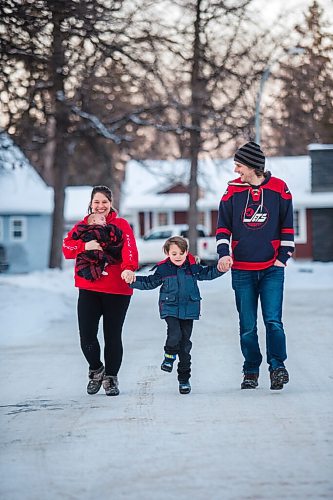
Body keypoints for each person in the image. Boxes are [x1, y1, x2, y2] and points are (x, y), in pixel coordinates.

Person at [216, 141, 294, 391]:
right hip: (242, 271)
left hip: (272, 268)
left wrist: (283, 257)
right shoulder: (231, 193)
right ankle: (250, 370)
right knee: (247, 324)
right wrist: (223, 253)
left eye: (239, 165)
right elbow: (222, 228)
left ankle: (277, 367)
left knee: (273, 321)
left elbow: (288, 226)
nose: (236, 170)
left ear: (252, 166)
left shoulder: (280, 189)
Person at [124, 236, 226, 395]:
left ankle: (184, 379)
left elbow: (208, 273)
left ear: (186, 252)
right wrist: (132, 280)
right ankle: (169, 356)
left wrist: (221, 269)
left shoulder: (193, 267)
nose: (177, 256)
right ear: (167, 253)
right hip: (170, 308)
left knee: (185, 346)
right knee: (174, 334)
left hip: (189, 308)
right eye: (174, 253)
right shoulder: (163, 269)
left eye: (181, 253)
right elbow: (150, 282)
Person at [63, 185, 138, 397]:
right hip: (89, 288)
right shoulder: (82, 226)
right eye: (97, 202)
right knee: (86, 335)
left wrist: (128, 269)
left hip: (117, 289)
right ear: (91, 203)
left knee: (112, 335)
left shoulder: (121, 225)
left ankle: (111, 377)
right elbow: (66, 248)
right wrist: (83, 247)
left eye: (104, 201)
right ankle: (96, 370)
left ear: (111, 203)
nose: (100, 206)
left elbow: (130, 250)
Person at [72, 212, 123, 281]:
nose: (105, 221)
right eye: (102, 219)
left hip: (99, 249)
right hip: (90, 251)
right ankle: (94, 271)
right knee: (94, 258)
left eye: (105, 220)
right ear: (94, 221)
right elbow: (85, 236)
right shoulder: (92, 230)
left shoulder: (104, 229)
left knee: (103, 258)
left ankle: (98, 269)